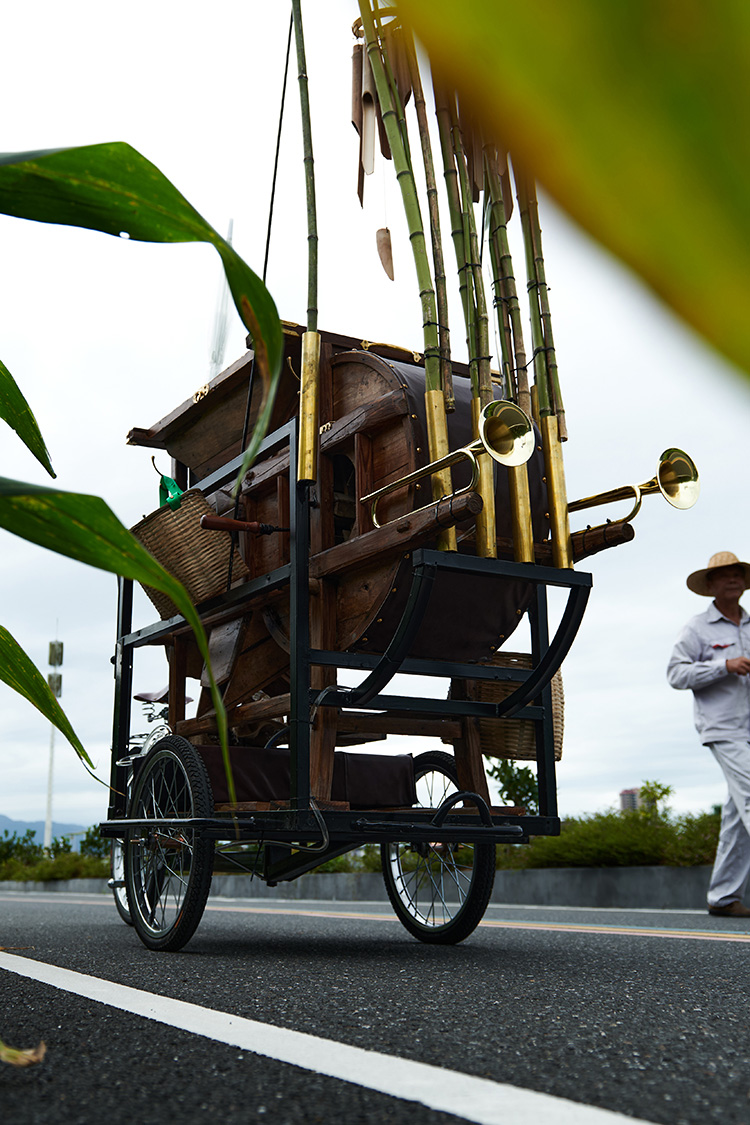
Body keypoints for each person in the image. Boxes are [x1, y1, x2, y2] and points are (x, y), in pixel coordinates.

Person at [667, 551, 750, 917]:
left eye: (738, 573)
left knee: (738, 813)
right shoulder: (697, 628)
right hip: (723, 727)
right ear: (711, 584)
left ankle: (723, 897)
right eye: (724, 574)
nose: (733, 578)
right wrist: (723, 665)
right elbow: (676, 674)